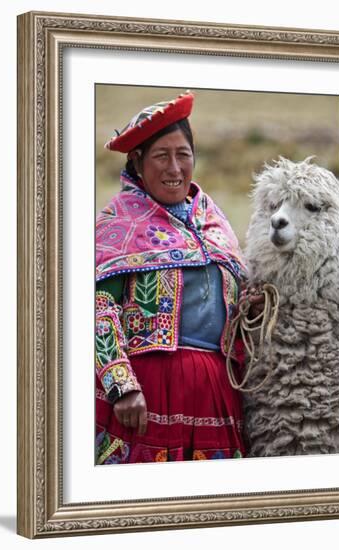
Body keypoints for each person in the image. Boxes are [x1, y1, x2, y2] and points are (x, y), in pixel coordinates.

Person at [95, 91, 251, 464]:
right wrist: (121, 386)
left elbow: (233, 300)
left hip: (215, 391)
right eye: (161, 156)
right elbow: (97, 307)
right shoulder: (119, 223)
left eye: (183, 155)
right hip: (148, 391)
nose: (174, 168)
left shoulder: (212, 219)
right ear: (137, 161)